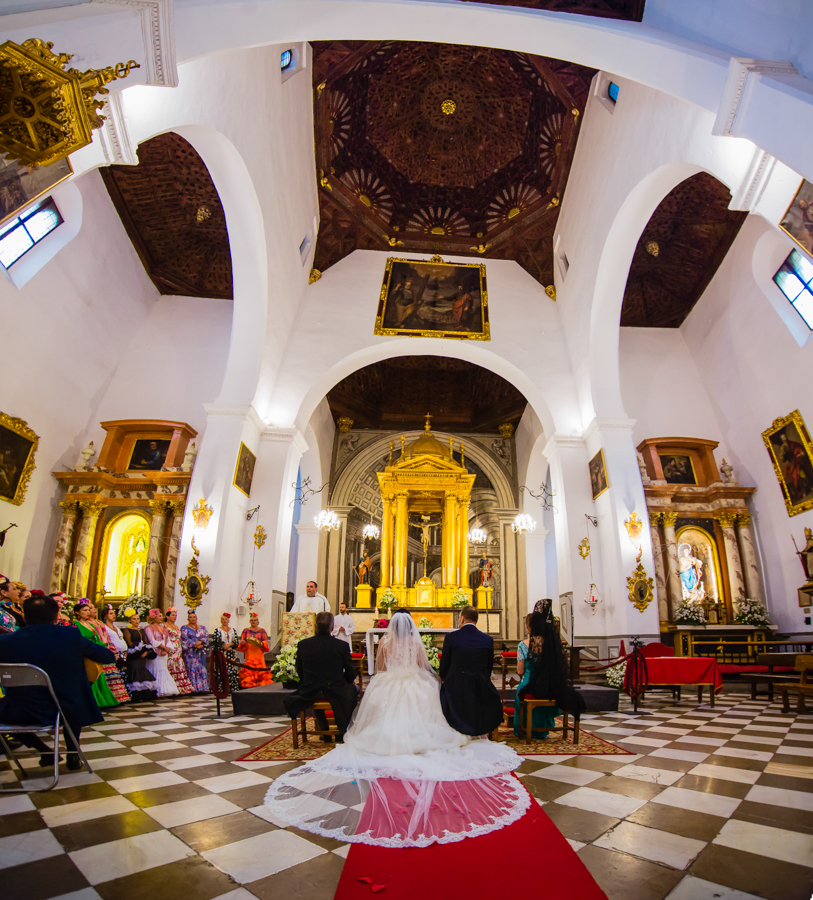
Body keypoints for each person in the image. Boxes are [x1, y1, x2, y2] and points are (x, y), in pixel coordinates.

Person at [266, 610, 525, 847]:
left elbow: (380, 669)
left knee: (380, 714)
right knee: (428, 705)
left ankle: (384, 739)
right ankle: (423, 739)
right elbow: (425, 666)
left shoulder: (385, 643)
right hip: (415, 682)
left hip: (389, 683)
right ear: (410, 627)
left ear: (391, 626)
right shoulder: (415, 642)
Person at [0, 593, 115, 770]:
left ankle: (43, 750)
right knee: (73, 695)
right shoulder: (69, 635)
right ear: (56, 616)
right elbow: (106, 656)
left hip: (20, 711)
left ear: (24, 615)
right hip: (66, 709)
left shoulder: (6, 641)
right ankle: (73, 753)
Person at [284, 611, 358, 741]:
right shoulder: (341, 646)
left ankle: (323, 729)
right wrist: (345, 681)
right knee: (354, 691)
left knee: (316, 691)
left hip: (310, 689)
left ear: (315, 626)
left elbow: (300, 670)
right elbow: (351, 672)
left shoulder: (304, 645)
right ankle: (343, 730)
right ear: (333, 627)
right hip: (335, 688)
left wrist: (308, 681)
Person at [517, 605, 584, 738]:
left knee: (520, 692)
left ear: (530, 627)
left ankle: (524, 730)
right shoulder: (552, 644)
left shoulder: (523, 645)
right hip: (551, 685)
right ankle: (544, 728)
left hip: (530, 681)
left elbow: (520, 671)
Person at [439, 605, 503, 736]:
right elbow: (488, 667)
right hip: (480, 686)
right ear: (476, 620)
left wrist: (444, 679)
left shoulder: (451, 637)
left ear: (462, 619)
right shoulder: (487, 639)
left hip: (456, 688)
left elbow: (444, 667)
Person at [73, 600, 120, 708]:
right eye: (84, 610)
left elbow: (97, 638)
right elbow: (82, 638)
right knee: (90, 675)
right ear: (77, 612)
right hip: (86, 653)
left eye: (88, 610)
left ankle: (102, 700)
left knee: (99, 675)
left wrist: (103, 645)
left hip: (94, 651)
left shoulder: (90, 624)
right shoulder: (76, 624)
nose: (88, 612)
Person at [121, 609, 158, 702]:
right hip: (134, 655)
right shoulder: (127, 630)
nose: (137, 621)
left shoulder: (141, 631)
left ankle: (144, 694)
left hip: (142, 655)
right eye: (134, 619)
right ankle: (135, 694)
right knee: (134, 671)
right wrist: (138, 651)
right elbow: (129, 643)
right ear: (130, 620)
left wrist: (146, 652)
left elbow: (146, 642)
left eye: (138, 619)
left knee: (142, 670)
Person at [97, 604, 131, 704]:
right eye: (111, 613)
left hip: (122, 653)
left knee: (121, 676)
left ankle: (122, 696)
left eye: (114, 613)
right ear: (105, 616)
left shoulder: (115, 626)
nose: (114, 615)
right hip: (113, 652)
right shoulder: (104, 627)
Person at [143, 609, 179, 697]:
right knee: (156, 669)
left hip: (163, 653)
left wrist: (167, 649)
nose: (161, 618)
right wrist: (163, 647)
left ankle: (166, 689)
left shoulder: (163, 628)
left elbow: (167, 640)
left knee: (163, 669)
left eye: (162, 616)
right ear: (153, 617)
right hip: (155, 652)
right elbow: (152, 641)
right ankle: (156, 690)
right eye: (159, 616)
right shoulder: (148, 628)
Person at [164, 607, 194, 694]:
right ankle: (172, 686)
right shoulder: (164, 626)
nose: (175, 617)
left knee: (179, 665)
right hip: (170, 646)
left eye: (176, 615)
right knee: (171, 664)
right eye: (173, 615)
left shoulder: (176, 626)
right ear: (167, 616)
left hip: (178, 648)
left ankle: (181, 687)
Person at [238, 612, 273, 688]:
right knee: (249, 668)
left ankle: (260, 684)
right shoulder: (245, 631)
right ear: (250, 621)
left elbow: (265, 642)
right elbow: (242, 641)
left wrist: (261, 644)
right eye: (252, 620)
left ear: (258, 621)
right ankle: (250, 684)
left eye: (255, 620)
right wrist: (242, 643)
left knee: (260, 668)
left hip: (258, 652)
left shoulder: (262, 631)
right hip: (249, 652)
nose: (253, 621)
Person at [210, 612, 241, 693]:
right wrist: (223, 646)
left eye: (226, 619)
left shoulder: (232, 630)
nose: (224, 621)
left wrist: (231, 645)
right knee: (222, 670)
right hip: (222, 653)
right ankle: (222, 688)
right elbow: (216, 641)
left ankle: (232, 687)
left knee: (231, 670)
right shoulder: (218, 630)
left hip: (231, 654)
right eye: (223, 619)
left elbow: (236, 642)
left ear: (228, 620)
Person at [180, 610, 210, 693]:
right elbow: (184, 638)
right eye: (190, 617)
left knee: (201, 667)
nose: (192, 619)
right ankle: (192, 688)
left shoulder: (202, 628)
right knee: (191, 668)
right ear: (188, 619)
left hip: (200, 651)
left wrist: (201, 643)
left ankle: (202, 688)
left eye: (194, 617)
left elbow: (206, 637)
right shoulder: (184, 628)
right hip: (190, 653)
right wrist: (194, 644)